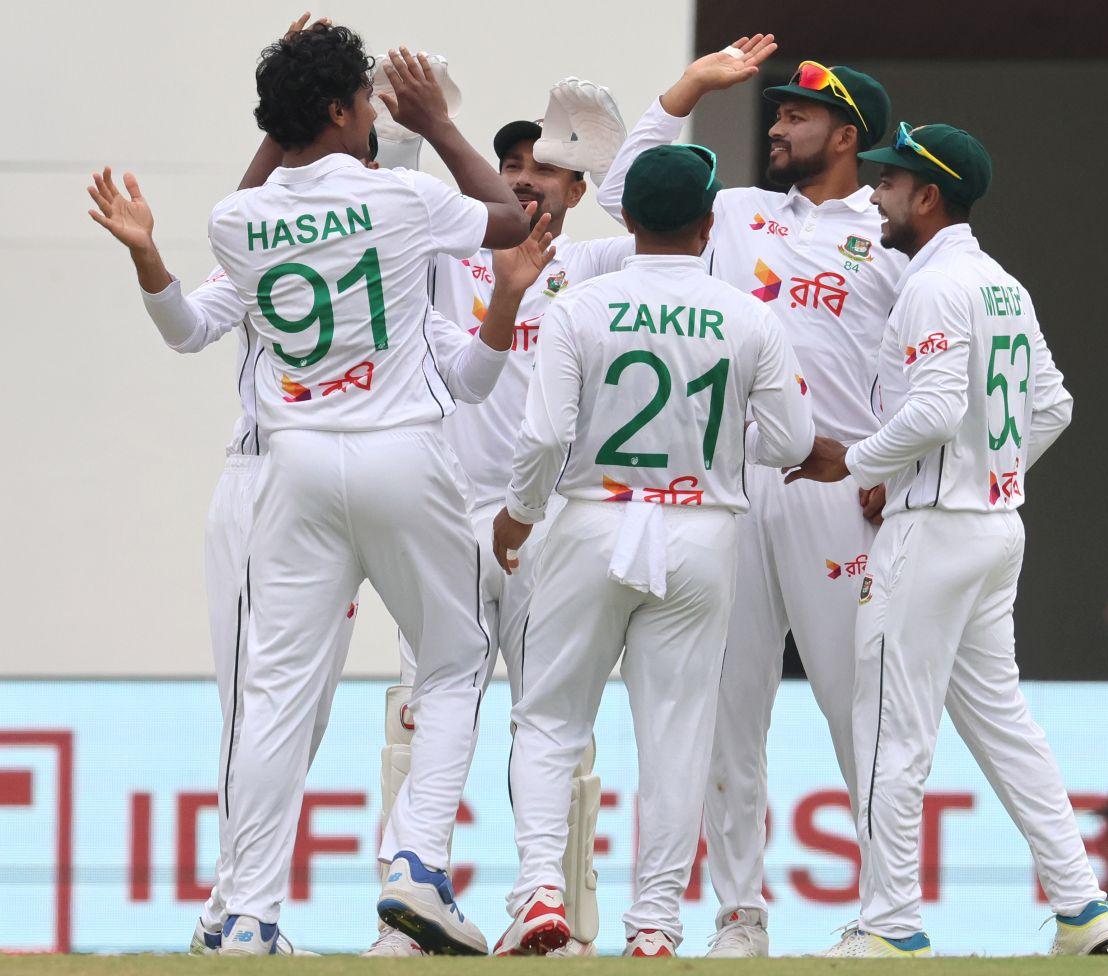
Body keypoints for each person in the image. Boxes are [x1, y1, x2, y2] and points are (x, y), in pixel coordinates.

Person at [97, 20, 530, 954]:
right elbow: (508, 222)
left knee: (274, 696)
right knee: (454, 660)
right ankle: (416, 865)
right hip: (403, 450)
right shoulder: (402, 196)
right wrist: (440, 124)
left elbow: (198, 301)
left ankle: (247, 915)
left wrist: (283, 121)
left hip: (290, 467)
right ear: (341, 110)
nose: (379, 112)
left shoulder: (234, 219)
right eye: (367, 101)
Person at [596, 36, 906, 956]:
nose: (776, 127)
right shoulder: (730, 211)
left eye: (796, 115)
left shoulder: (886, 235)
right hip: (726, 488)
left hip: (836, 493)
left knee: (861, 706)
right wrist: (690, 86)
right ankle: (740, 911)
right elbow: (625, 191)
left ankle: (889, 911)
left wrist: (891, 465)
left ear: (846, 135)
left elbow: (926, 370)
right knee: (730, 709)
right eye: (776, 112)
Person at [790, 121, 1108, 957]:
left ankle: (891, 924)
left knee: (886, 728)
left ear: (928, 195)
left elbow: (938, 410)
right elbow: (1053, 406)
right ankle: (1084, 906)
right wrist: (990, 471)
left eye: (891, 182)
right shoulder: (1001, 283)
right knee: (1004, 724)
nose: (876, 194)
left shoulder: (934, 288)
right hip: (992, 528)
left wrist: (860, 464)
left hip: (934, 531)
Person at [492, 143, 816, 957]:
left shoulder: (579, 305)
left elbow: (544, 434)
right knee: (676, 731)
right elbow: (793, 440)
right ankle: (657, 926)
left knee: (549, 718)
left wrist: (518, 514)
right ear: (710, 224)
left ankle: (538, 889)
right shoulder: (750, 315)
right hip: (703, 530)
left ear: (626, 219)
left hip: (591, 519)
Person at [375, 85, 631, 957]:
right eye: (510, 166)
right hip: (444, 512)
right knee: (426, 709)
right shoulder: (448, 251)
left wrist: (622, 147)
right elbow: (393, 190)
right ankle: (407, 908)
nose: (523, 183)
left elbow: (672, 237)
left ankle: (547, 906)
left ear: (576, 187)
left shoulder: (591, 266)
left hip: (545, 521)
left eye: (545, 169)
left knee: (554, 717)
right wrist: (405, 133)